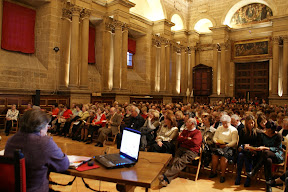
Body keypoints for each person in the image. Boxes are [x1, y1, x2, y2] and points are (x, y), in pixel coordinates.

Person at [4, 109, 69, 192]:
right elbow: (63, 165)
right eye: (47, 126)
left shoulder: (11, 140)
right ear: (41, 127)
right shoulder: (44, 142)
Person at [158, 118, 202, 186]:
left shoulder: (197, 132)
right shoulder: (185, 130)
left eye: (187, 122)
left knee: (180, 162)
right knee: (175, 161)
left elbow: (194, 142)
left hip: (191, 151)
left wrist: (184, 140)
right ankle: (166, 180)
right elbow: (179, 139)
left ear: (192, 124)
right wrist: (187, 139)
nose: (185, 123)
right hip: (182, 148)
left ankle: (165, 176)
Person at [247, 121, 283, 192]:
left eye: (270, 131)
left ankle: (254, 171)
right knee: (268, 160)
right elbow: (259, 144)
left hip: (276, 155)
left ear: (273, 130)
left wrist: (265, 148)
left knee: (266, 153)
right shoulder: (262, 134)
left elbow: (277, 148)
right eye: (267, 129)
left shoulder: (278, 135)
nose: (267, 132)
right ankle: (268, 184)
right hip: (265, 156)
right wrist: (255, 148)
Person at [235, 115, 262, 187]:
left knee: (247, 156)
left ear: (254, 123)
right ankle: (238, 176)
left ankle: (248, 177)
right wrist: (242, 146)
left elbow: (259, 145)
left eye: (252, 123)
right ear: (246, 123)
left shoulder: (258, 132)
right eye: (249, 123)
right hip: (244, 150)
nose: (250, 125)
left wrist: (251, 147)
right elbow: (240, 143)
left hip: (254, 152)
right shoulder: (243, 131)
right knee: (241, 155)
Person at [210, 115, 238, 183]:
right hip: (219, 145)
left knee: (224, 158)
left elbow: (234, 141)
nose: (224, 125)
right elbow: (215, 137)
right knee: (214, 155)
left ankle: (222, 175)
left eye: (226, 123)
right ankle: (214, 172)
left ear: (230, 122)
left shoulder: (234, 130)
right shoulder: (219, 128)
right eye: (223, 123)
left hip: (228, 146)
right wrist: (216, 142)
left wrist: (226, 145)